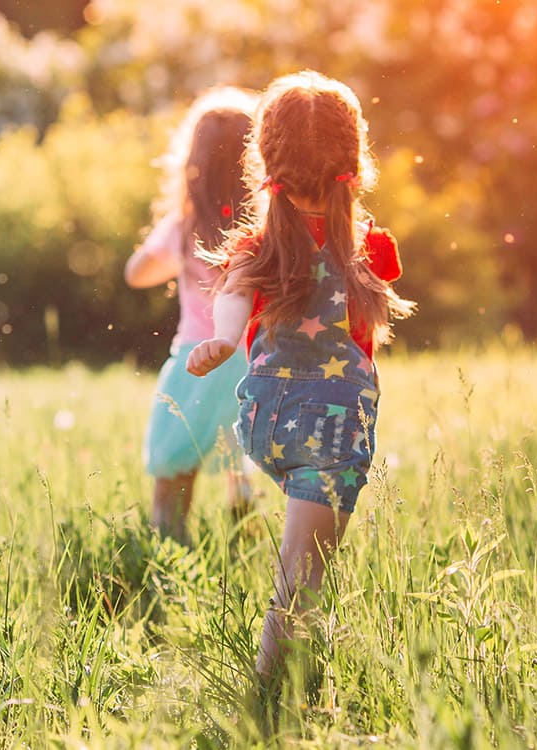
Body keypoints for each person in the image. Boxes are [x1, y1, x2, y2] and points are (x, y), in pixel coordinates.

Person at [188, 71, 414, 679]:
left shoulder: (261, 244)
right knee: (301, 578)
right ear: (355, 163)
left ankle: (304, 675)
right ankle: (270, 696)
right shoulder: (367, 247)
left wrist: (224, 339)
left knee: (304, 565)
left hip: (265, 420)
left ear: (266, 160)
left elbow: (235, 292)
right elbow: (372, 314)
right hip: (332, 427)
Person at [125, 87, 260, 544]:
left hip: (197, 359)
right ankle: (243, 541)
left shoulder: (185, 227)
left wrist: (176, 253)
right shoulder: (263, 231)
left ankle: (169, 544)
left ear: (192, 162)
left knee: (174, 459)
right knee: (240, 457)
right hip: (253, 358)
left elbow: (136, 273)